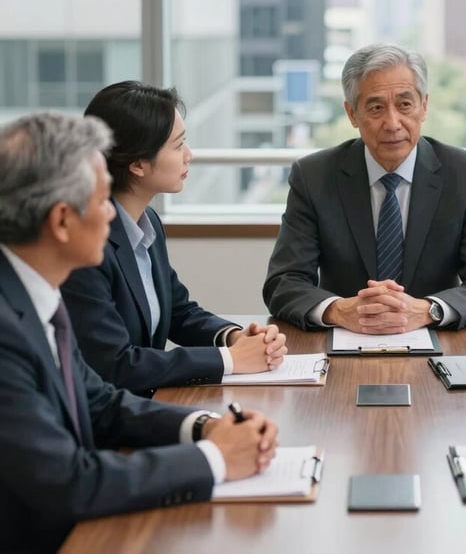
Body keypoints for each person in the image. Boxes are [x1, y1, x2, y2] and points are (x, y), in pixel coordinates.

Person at [0, 111, 279, 554]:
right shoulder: (7, 330)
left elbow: (100, 403)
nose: (112, 214)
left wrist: (206, 428)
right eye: (102, 200)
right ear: (61, 221)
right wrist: (215, 458)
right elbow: (69, 482)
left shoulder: (35, 292)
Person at [263, 42, 466, 334]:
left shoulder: (465, 174)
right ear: (352, 114)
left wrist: (427, 310)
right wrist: (339, 310)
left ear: (424, 106)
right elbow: (284, 282)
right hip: (344, 339)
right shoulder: (314, 176)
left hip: (436, 340)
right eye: (376, 108)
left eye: (405, 105)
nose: (393, 123)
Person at [61, 81, 287, 397]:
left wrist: (234, 338)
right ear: (138, 164)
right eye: (178, 145)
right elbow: (115, 364)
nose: (189, 155)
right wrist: (230, 360)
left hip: (145, 402)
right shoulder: (86, 247)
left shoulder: (147, 221)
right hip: (110, 413)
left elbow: (178, 312)